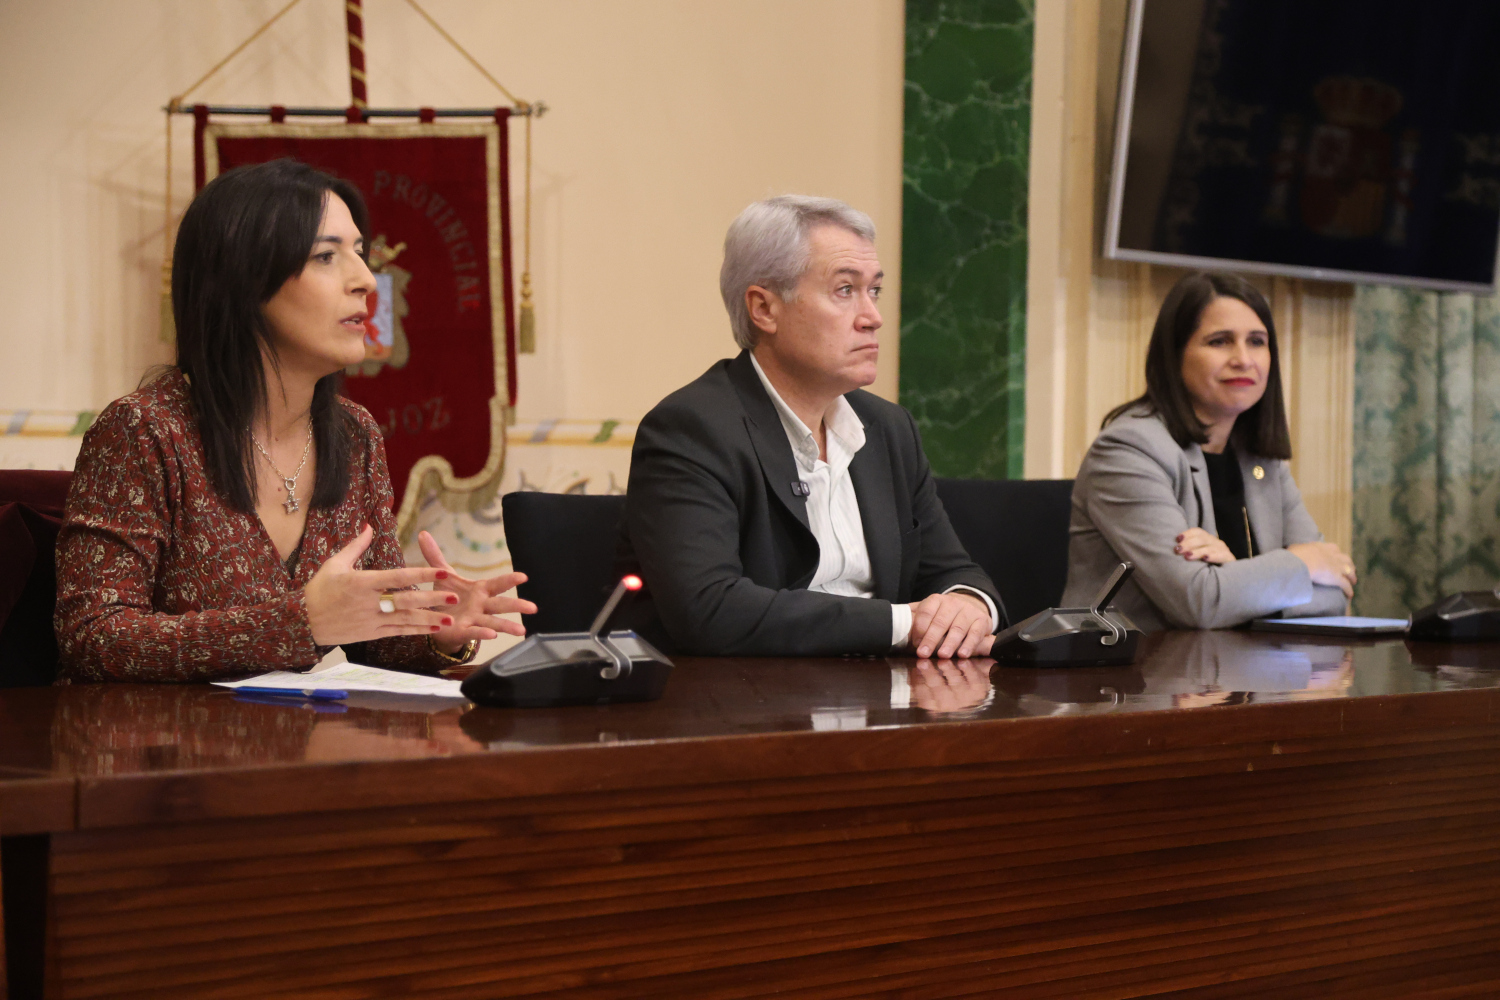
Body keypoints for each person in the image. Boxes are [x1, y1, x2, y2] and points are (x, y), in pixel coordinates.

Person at [54, 158, 534, 682]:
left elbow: (376, 636)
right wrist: (298, 623)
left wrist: (439, 628)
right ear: (244, 280)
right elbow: (91, 637)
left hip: (296, 731)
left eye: (359, 252)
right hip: (157, 735)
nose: (366, 280)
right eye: (326, 256)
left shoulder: (354, 434)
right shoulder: (143, 430)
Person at [618, 195, 1004, 657]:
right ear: (764, 308)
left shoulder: (888, 428)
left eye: (874, 290)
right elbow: (710, 608)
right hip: (754, 694)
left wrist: (969, 606)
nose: (873, 317)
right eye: (845, 290)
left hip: (887, 688)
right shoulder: (692, 430)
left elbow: (953, 570)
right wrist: (905, 622)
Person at [1062, 271, 1354, 631]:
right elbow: (1199, 601)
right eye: (1220, 341)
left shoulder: (1262, 462)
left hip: (1236, 662)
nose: (1243, 359)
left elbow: (1337, 592)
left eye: (1257, 341)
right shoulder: (1128, 451)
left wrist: (1234, 578)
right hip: (1131, 664)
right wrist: (1302, 564)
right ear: (1175, 355)